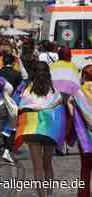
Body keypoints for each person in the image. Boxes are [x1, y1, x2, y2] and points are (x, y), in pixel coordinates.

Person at [14, 61, 66, 197]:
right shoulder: (54, 89)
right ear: (48, 73)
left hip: (33, 130)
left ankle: (41, 195)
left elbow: (21, 107)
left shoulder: (27, 89)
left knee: (37, 168)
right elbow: (59, 103)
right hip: (50, 129)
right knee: (47, 164)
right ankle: (49, 194)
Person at [67, 64, 92, 197]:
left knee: (86, 169)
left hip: (86, 137)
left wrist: (75, 116)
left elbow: (70, 102)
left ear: (83, 76)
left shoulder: (79, 92)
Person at [0, 53, 23, 164]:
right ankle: (7, 151)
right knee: (12, 127)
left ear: (3, 62)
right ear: (13, 63)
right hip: (12, 103)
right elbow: (20, 90)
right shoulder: (17, 74)